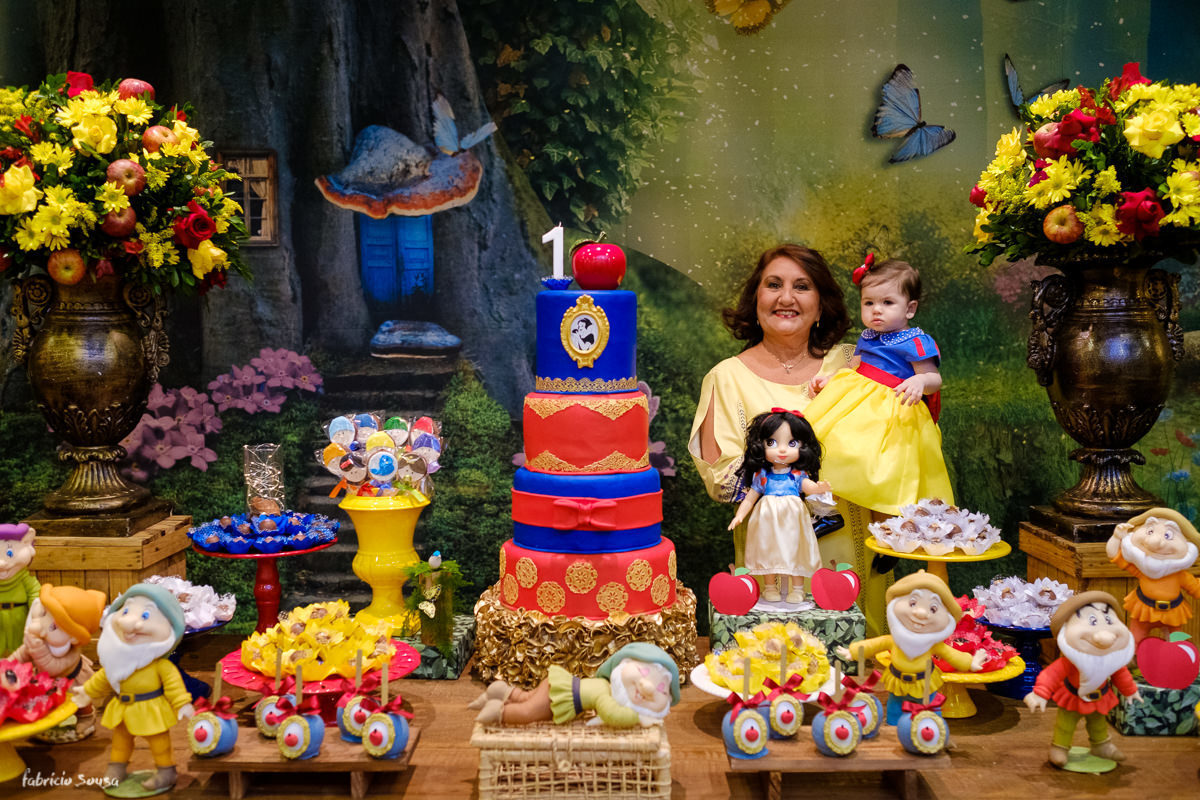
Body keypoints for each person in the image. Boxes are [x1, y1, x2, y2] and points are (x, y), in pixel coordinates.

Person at [689, 244, 891, 635]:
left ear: (821, 303)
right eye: (773, 285)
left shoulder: (856, 366)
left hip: (854, 556)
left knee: (859, 675)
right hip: (772, 565)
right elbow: (721, 482)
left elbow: (895, 449)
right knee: (777, 673)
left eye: (802, 286)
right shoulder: (725, 378)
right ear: (756, 299)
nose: (786, 298)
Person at [805, 256, 953, 517]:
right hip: (858, 400)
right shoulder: (868, 336)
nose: (876, 310)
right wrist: (832, 381)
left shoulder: (915, 341)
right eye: (868, 302)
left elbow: (934, 378)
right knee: (833, 443)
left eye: (887, 303)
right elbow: (857, 367)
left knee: (883, 464)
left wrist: (919, 381)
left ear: (910, 309)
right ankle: (824, 509)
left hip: (893, 409)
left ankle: (886, 524)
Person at [72, 583, 194, 792]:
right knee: (120, 743)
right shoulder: (117, 663)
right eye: (126, 611)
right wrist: (86, 691)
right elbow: (104, 677)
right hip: (123, 710)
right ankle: (116, 769)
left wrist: (182, 703)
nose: (130, 622)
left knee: (159, 742)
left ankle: (166, 771)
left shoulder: (160, 666)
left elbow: (174, 685)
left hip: (151, 709)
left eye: (146, 615)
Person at [837, 571, 986, 724]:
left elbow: (952, 655)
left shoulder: (934, 645)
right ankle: (895, 728)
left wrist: (970, 663)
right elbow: (873, 644)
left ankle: (934, 732)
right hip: (898, 682)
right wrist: (853, 651)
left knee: (931, 716)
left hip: (925, 683)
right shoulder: (893, 640)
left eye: (933, 609)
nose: (921, 613)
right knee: (895, 711)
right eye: (913, 603)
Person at [1024, 590, 1141, 768]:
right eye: (1092, 621)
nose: (1103, 634)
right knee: (1065, 725)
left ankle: (1101, 746)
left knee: (1099, 725)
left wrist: (1130, 691)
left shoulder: (1111, 660)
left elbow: (1120, 674)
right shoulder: (1070, 662)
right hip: (1072, 698)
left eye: (1108, 620)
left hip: (1099, 698)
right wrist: (1040, 693)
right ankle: (1060, 748)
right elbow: (1051, 674)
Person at [728, 409, 830, 604]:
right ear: (761, 445)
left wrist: (819, 488)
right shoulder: (763, 475)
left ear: (802, 446)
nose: (782, 450)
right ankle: (770, 587)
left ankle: (797, 589)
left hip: (792, 519)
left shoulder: (797, 474)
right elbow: (750, 498)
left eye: (792, 443)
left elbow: (807, 486)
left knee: (794, 550)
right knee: (769, 551)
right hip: (767, 520)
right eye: (772, 443)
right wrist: (739, 516)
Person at [469, 642, 680, 728]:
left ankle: (503, 692)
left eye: (661, 690)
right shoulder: (604, 694)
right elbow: (611, 714)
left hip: (558, 684)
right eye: (643, 672)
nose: (649, 687)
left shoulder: (605, 687)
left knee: (525, 697)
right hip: (561, 696)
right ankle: (498, 713)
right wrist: (640, 718)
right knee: (526, 712)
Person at [1105, 508, 1200, 644]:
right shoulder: (1143, 570)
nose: (1155, 542)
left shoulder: (1180, 576)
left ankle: (1175, 663)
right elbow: (1114, 555)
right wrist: (1116, 537)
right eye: (1150, 531)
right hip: (1144, 610)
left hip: (1172, 613)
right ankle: (1134, 660)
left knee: (1176, 643)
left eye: (1168, 535)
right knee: (1136, 639)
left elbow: (1196, 588)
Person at [0, 523, 39, 657]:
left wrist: (36, 617)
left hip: (19, 621)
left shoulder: (25, 579)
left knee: (20, 653)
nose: (1, 564)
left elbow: (36, 595)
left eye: (9, 553)